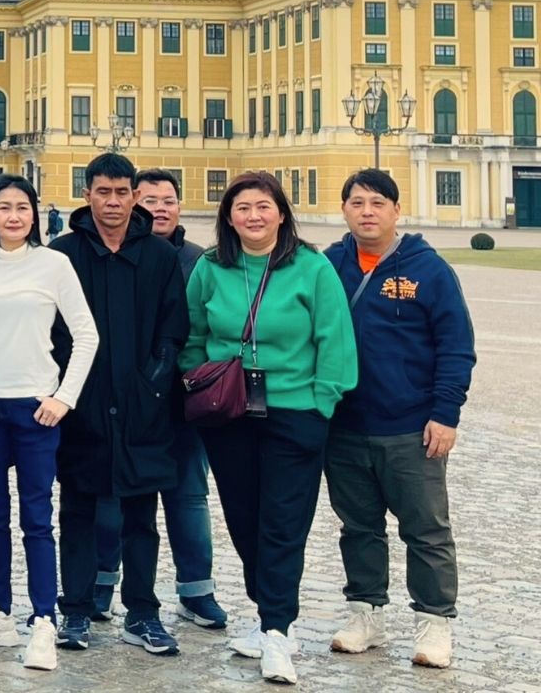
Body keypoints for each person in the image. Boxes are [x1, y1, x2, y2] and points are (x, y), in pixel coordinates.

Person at [182, 170, 358, 686]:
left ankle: (277, 632)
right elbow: (192, 331)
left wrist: (322, 402)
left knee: (283, 523)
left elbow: (336, 340)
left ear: (281, 212)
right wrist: (198, 378)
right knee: (243, 519)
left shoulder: (311, 267)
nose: (253, 216)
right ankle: (269, 617)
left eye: (263, 206)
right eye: (242, 208)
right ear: (228, 217)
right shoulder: (211, 267)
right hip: (228, 414)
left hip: (295, 412)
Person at [323, 169, 473, 670]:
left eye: (378, 203)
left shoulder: (428, 270)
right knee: (358, 527)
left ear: (395, 211)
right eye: (358, 202)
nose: (367, 211)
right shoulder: (330, 265)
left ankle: (435, 621)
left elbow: (456, 346)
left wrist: (445, 414)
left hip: (411, 425)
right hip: (345, 425)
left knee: (426, 529)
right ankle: (365, 613)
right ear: (343, 209)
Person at [45, 154, 189, 660]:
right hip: (81, 404)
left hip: (144, 405)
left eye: (121, 192)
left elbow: (174, 329)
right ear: (88, 194)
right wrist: (66, 387)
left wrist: (154, 380)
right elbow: (53, 329)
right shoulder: (62, 255)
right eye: (102, 192)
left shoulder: (160, 256)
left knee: (140, 516)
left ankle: (143, 613)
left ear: (134, 196)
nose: (112, 202)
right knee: (78, 509)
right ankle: (77, 608)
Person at [0, 173, 96, 671]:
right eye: (4, 207)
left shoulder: (54, 263)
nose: (13, 215)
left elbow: (86, 335)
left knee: (37, 517)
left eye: (22, 207)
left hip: (35, 408)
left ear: (34, 213)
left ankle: (43, 619)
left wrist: (64, 398)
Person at [92, 169, 226, 630]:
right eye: (150, 199)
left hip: (186, 401)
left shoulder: (201, 260)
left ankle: (196, 590)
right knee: (113, 496)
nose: (161, 207)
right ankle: (102, 584)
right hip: (128, 400)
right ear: (133, 203)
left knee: (188, 497)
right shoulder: (115, 253)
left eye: (169, 199)